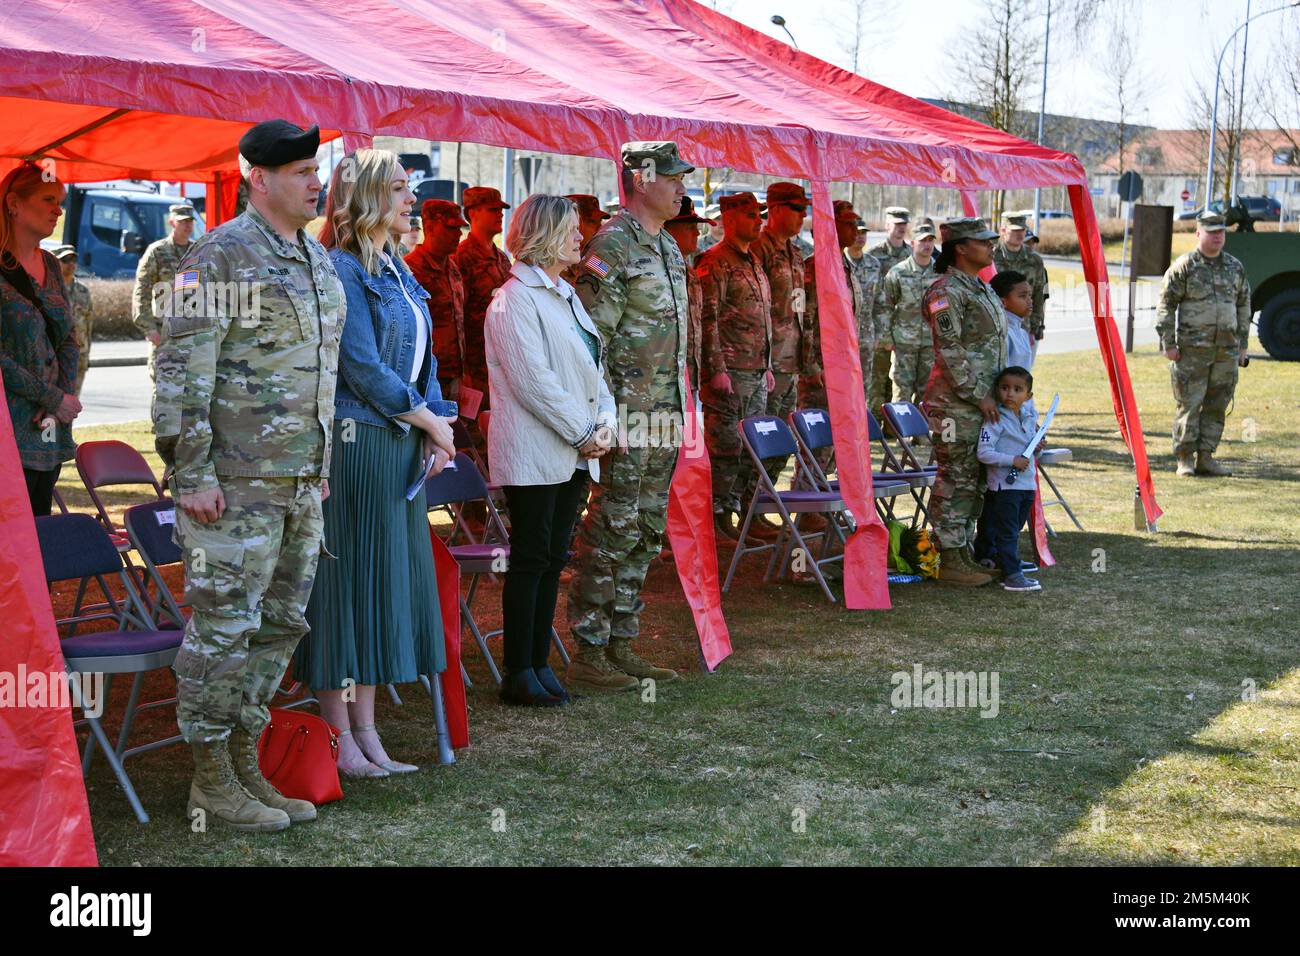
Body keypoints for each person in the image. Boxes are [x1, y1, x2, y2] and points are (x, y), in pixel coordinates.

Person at [153, 119, 342, 831]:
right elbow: (180, 372)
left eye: (314, 168)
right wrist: (192, 470)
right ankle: (209, 783)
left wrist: (316, 466)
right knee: (224, 629)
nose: (313, 180)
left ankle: (242, 767)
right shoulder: (221, 256)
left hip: (296, 484)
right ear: (258, 178)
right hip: (230, 486)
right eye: (299, 170)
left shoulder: (314, 259)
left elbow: (319, 374)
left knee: (277, 626)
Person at [296, 148, 458, 776]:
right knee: (347, 590)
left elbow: (425, 354)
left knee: (379, 588)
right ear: (366, 196)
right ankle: (338, 734)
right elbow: (360, 366)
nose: (409, 199)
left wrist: (435, 419)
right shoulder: (341, 267)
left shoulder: (394, 268)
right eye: (397, 188)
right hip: (360, 444)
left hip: (397, 446)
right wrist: (430, 422)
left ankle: (367, 730)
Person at [567, 141, 692, 692]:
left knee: (644, 530)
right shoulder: (610, 249)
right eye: (673, 178)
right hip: (625, 417)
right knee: (611, 527)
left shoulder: (667, 248)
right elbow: (591, 342)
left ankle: (622, 642)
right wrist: (605, 417)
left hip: (663, 415)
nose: (682, 187)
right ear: (642, 179)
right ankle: (589, 650)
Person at [486, 194, 616, 706]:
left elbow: (592, 370)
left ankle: (540, 663)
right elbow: (533, 382)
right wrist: (586, 431)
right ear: (542, 235)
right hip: (537, 451)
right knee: (531, 556)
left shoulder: (564, 294)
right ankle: (519, 670)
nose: (580, 238)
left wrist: (603, 422)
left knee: (552, 557)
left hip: (576, 449)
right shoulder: (515, 299)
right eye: (570, 230)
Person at [921, 217, 1006, 588]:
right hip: (956, 403)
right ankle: (946, 555)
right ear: (961, 247)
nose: (991, 246)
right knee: (955, 477)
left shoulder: (980, 287)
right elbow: (949, 351)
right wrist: (978, 394)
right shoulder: (946, 291)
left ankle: (963, 551)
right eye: (983, 241)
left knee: (974, 479)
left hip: (981, 402)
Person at [0, 163, 79, 516]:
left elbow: (68, 339)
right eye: (48, 199)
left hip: (47, 430)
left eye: (60, 200)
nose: (58, 209)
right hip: (8, 429)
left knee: (41, 533)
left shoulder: (49, 263)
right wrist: (52, 397)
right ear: (14, 203)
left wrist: (61, 399)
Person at [698, 192, 774, 539]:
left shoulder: (753, 261)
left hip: (755, 371)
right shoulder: (715, 262)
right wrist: (716, 369)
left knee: (750, 448)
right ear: (728, 220)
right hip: (730, 372)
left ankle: (741, 514)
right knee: (725, 448)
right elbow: (708, 318)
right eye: (749, 216)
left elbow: (763, 319)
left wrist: (768, 365)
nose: (757, 221)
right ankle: (714, 520)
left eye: (759, 215)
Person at [1154, 210, 1251, 478]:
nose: (1218, 237)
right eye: (1211, 232)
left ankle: (1207, 456)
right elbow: (1166, 305)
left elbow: (1243, 304)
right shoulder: (1185, 266)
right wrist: (1168, 343)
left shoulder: (1234, 267)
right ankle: (1184, 457)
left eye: (1221, 232)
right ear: (1198, 234)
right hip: (1192, 351)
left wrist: (1242, 345)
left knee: (1217, 403)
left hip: (1226, 351)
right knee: (1190, 403)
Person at [751, 182, 813, 501]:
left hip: (792, 361)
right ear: (774, 210)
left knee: (783, 438)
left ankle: (763, 498)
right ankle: (746, 505)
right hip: (767, 362)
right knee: (761, 437)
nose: (803, 216)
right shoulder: (758, 250)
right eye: (796, 209)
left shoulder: (796, 253)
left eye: (805, 210)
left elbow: (798, 307)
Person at [973, 366, 1042, 593]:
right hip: (1005, 487)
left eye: (1017, 389)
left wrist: (1037, 448)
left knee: (1015, 528)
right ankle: (1011, 575)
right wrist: (1011, 460)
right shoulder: (994, 420)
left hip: (1026, 483)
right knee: (1008, 531)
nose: (1010, 394)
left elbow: (1029, 451)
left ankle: (1006, 560)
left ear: (1028, 396)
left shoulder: (1029, 418)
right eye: (1004, 388)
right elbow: (984, 452)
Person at [799, 199, 862, 417]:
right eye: (848, 224)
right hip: (821, 368)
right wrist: (811, 367)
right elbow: (803, 320)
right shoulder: (816, 267)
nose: (855, 229)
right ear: (831, 226)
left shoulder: (845, 266)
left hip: (844, 366)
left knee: (840, 435)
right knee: (820, 437)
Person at [406, 199, 468, 401]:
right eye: (451, 228)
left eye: (460, 227)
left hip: (455, 375)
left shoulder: (453, 269)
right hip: (423, 378)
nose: (459, 233)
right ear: (430, 227)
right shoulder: (411, 269)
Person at [454, 186, 512, 397]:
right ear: (473, 213)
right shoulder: (462, 258)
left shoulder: (502, 259)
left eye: (501, 210)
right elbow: (457, 318)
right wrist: (463, 370)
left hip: (502, 361)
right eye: (493, 210)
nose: (500, 214)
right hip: (475, 366)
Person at [132, 203, 196, 377]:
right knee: (162, 389)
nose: (188, 226)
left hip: (191, 333)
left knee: (189, 391)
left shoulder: (197, 251)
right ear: (172, 222)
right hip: (163, 332)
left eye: (190, 221)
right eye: (183, 221)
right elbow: (141, 292)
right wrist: (149, 329)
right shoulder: (157, 251)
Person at [883, 220, 938, 404]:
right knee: (901, 390)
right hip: (904, 343)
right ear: (913, 243)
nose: (927, 245)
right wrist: (887, 337)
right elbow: (886, 306)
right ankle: (900, 431)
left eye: (931, 240)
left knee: (928, 391)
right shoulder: (897, 273)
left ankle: (921, 431)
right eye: (923, 241)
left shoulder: (941, 273)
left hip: (931, 342)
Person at [663, 196, 710, 395]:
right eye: (690, 226)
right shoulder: (657, 270)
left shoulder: (690, 272)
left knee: (690, 427)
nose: (697, 232)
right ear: (669, 229)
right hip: (663, 381)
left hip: (689, 375)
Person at [842, 208, 887, 414]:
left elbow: (880, 302)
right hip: (842, 335)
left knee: (863, 382)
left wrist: (878, 333)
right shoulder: (839, 262)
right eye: (858, 232)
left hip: (866, 334)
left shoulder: (874, 264)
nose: (861, 237)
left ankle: (859, 422)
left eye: (864, 233)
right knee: (842, 383)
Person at [867, 206, 912, 412]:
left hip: (905, 327)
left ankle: (893, 425)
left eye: (904, 224)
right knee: (878, 377)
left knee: (899, 379)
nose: (901, 228)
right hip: (880, 326)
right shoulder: (874, 255)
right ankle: (875, 422)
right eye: (897, 224)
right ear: (887, 225)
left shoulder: (912, 255)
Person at [992, 211, 1048, 355]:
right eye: (1015, 230)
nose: (1020, 234)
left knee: (1022, 372)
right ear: (1003, 230)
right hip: (994, 325)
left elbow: (1039, 294)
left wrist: (1035, 327)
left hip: (1024, 326)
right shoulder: (991, 256)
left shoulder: (1034, 260)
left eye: (1022, 230)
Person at [53, 245, 93, 395]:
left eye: (74, 260)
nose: (71, 264)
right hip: (55, 356)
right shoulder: (48, 290)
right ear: (55, 262)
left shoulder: (83, 291)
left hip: (79, 355)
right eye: (65, 260)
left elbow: (89, 325)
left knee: (72, 402)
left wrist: (87, 355)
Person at [990, 270, 1035, 372]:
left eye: (1029, 295)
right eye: (1022, 296)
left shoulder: (1022, 333)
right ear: (1003, 302)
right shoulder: (1002, 334)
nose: (1029, 300)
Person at [561, 194, 610, 285]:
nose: (600, 227)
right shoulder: (554, 263)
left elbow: (611, 276)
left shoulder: (595, 258)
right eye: (592, 222)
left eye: (599, 222)